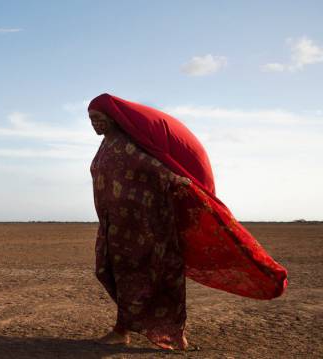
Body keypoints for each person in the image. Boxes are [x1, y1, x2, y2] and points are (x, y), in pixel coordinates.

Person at [88, 93, 287, 350]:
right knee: (112, 273)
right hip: (115, 228)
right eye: (91, 120)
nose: (94, 124)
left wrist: (180, 181)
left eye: (98, 118)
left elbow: (155, 168)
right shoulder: (106, 147)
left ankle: (157, 332)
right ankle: (126, 328)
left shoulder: (127, 145)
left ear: (112, 118)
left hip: (145, 228)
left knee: (151, 277)